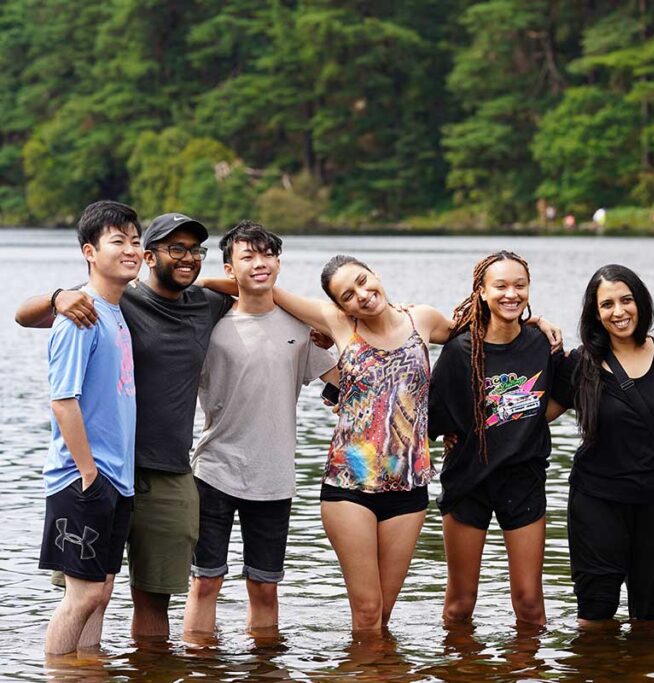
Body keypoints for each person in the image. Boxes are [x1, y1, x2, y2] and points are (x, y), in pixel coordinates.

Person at [207, 252, 561, 632]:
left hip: (407, 487)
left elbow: (483, 322)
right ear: (337, 304)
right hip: (349, 485)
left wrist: (536, 322)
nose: (360, 294)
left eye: (362, 280)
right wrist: (200, 283)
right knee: (367, 612)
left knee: (383, 616)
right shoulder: (338, 323)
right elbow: (264, 290)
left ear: (374, 273)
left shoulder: (421, 318)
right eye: (347, 294)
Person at [16, 212, 234, 640]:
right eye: (176, 248)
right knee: (89, 594)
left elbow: (253, 287)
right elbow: (24, 318)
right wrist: (59, 294)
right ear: (150, 257)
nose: (188, 258)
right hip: (100, 473)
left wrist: (323, 332)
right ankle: (74, 669)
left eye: (195, 250)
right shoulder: (102, 302)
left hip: (162, 472)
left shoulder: (202, 305)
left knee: (141, 597)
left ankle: (135, 670)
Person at [183, 221, 337, 638]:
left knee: (265, 587)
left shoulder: (302, 329)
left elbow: (347, 383)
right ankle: (200, 667)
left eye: (267, 254)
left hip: (274, 477)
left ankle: (264, 669)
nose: (259, 263)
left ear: (279, 262)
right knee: (205, 583)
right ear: (230, 269)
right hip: (213, 471)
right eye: (247, 256)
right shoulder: (209, 327)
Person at [548, 264, 654, 626]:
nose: (618, 312)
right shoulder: (580, 364)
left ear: (640, 302)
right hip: (597, 500)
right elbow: (532, 418)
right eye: (607, 305)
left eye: (626, 300)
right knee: (595, 613)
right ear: (595, 314)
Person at [429, 251, 561, 627]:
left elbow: (562, 396)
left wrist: (525, 423)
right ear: (482, 293)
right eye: (500, 286)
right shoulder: (459, 352)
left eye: (519, 285)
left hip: (523, 480)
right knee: (459, 605)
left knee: (531, 605)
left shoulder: (541, 343)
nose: (511, 294)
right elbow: (431, 417)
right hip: (469, 481)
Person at [37, 201, 142, 654]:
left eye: (136, 241)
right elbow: (63, 401)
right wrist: (88, 474)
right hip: (83, 478)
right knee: (81, 596)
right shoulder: (81, 316)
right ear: (89, 251)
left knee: (100, 596)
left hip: (115, 478)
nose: (131, 250)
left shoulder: (116, 311)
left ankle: (86, 669)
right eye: (118, 241)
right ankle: (57, 670)